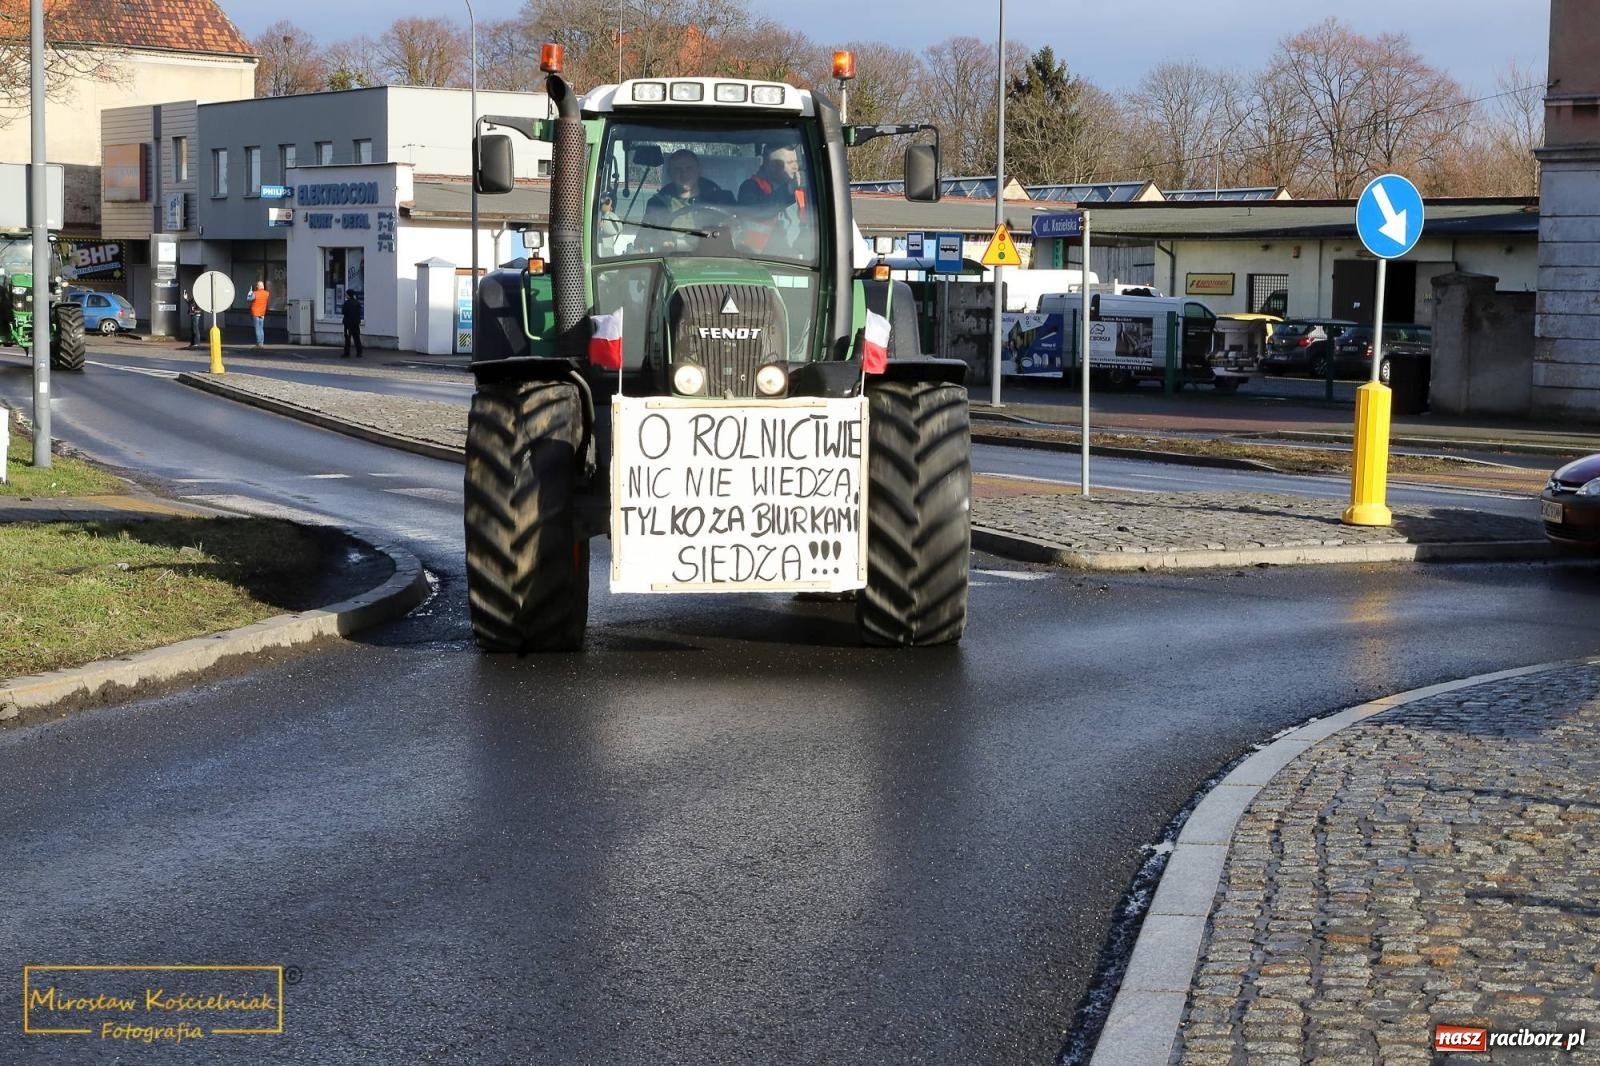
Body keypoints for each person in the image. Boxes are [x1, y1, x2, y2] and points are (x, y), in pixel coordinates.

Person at [643, 150, 734, 238]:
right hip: (671, 253)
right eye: (677, 169)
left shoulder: (723, 200)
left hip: (716, 253)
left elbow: (739, 232)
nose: (684, 173)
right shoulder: (657, 204)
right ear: (670, 173)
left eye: (689, 168)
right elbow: (643, 242)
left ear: (699, 170)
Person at [341, 290, 364, 359]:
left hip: (348, 324)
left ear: (348, 295)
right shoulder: (357, 303)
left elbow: (343, 312)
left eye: (346, 294)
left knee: (347, 338)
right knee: (357, 338)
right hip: (356, 323)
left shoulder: (347, 303)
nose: (345, 295)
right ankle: (359, 352)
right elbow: (359, 313)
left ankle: (346, 353)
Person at [249, 281, 269, 349]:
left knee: (257, 328)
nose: (256, 287)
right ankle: (262, 343)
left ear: (258, 286)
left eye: (257, 286)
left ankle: (258, 344)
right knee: (261, 328)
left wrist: (250, 293)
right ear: (263, 286)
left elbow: (248, 299)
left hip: (255, 313)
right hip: (262, 313)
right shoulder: (267, 293)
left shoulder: (255, 293)